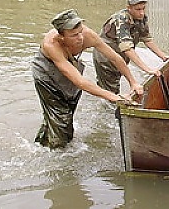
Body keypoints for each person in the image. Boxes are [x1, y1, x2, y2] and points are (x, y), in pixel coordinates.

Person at [32, 9, 143, 149]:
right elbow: (80, 82)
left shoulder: (88, 35)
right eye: (73, 35)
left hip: (70, 65)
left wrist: (133, 82)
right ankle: (56, 154)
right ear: (61, 37)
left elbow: (115, 58)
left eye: (80, 31)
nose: (80, 38)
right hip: (46, 74)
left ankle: (44, 142)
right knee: (61, 118)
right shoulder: (52, 44)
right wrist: (115, 98)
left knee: (67, 110)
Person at [93, 0, 169, 94]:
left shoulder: (141, 18)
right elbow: (128, 49)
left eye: (143, 8)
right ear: (129, 8)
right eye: (138, 9)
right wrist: (147, 70)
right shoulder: (121, 19)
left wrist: (163, 56)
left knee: (115, 82)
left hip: (120, 56)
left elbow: (147, 38)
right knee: (110, 92)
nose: (141, 12)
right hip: (106, 58)